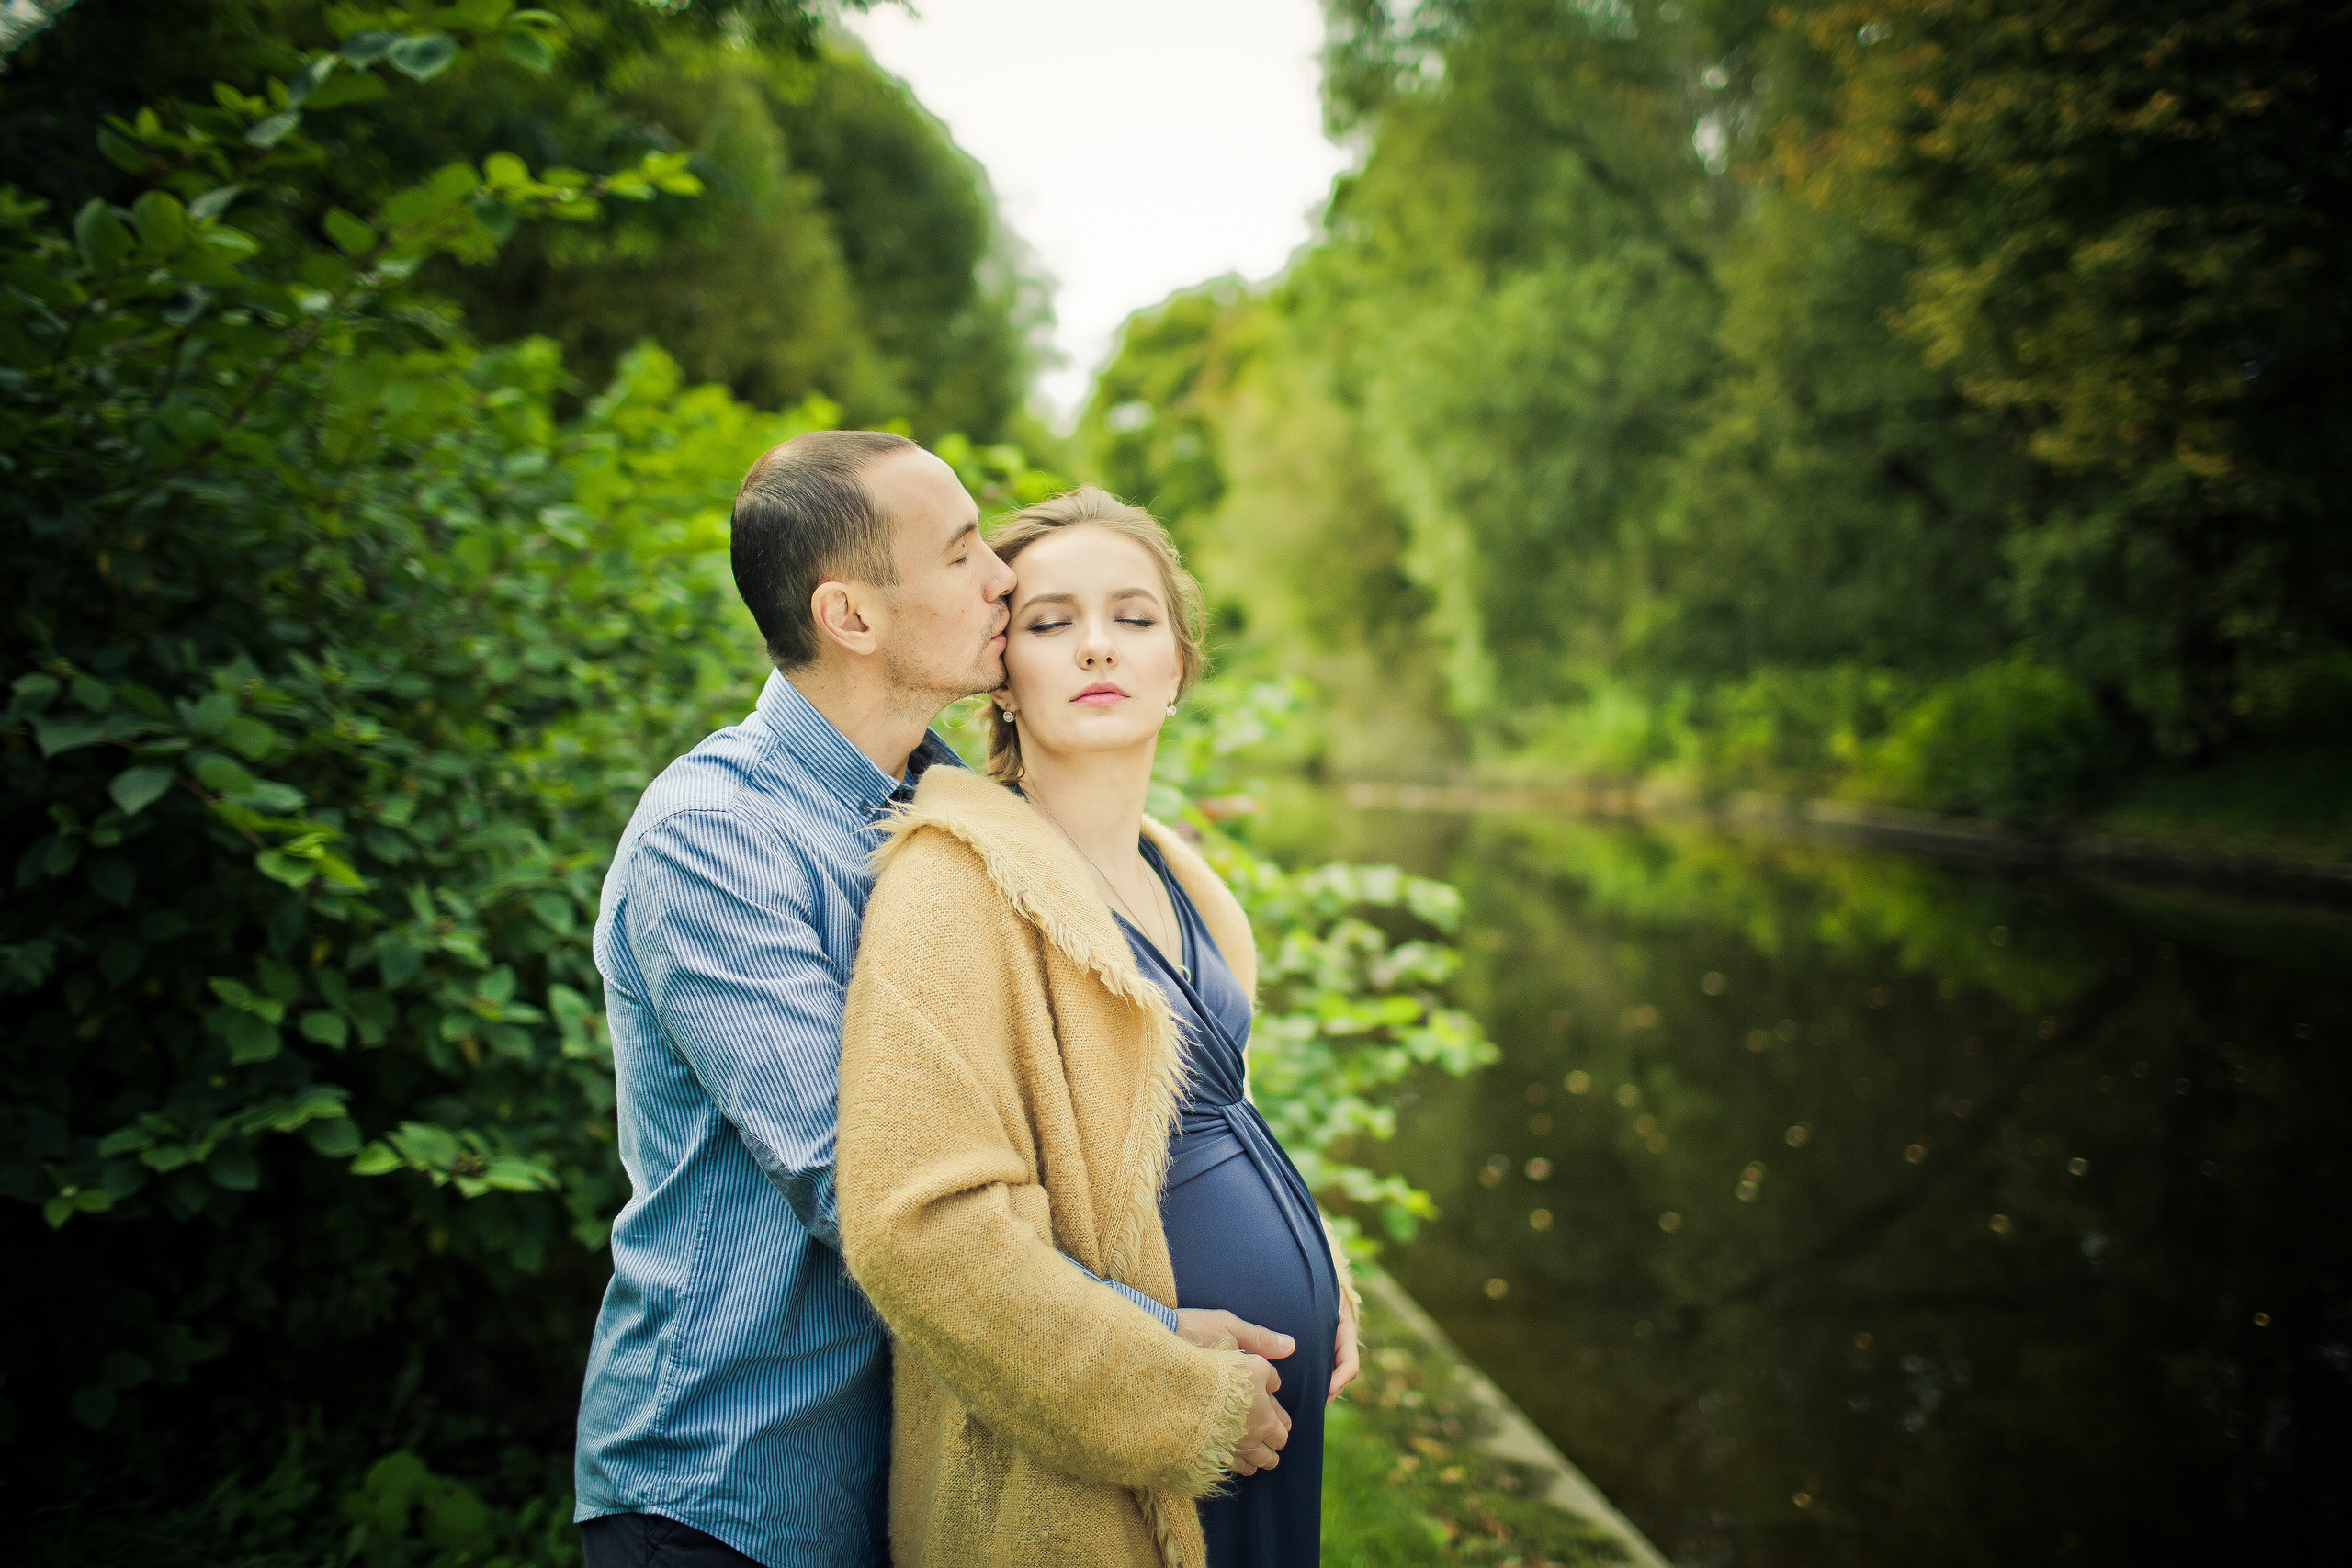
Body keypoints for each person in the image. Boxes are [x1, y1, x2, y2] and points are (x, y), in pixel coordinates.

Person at [573, 437, 1294, 1568]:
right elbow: (865, 1176)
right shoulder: (715, 842)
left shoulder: (939, 800)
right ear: (852, 617)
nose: (1002, 579)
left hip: (928, 1462)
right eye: (964, 555)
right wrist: (1158, 1358)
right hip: (739, 1486)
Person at [836, 486, 1362, 1568]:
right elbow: (920, 1230)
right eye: (1048, 622)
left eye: (1133, 617)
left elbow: (1211, 1124)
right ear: (1004, 677)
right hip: (1101, 1464)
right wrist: (1169, 1399)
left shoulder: (1187, 881)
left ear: (1178, 670)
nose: (1095, 647)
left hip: (1262, 1431)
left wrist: (1324, 1273)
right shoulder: (953, 881)